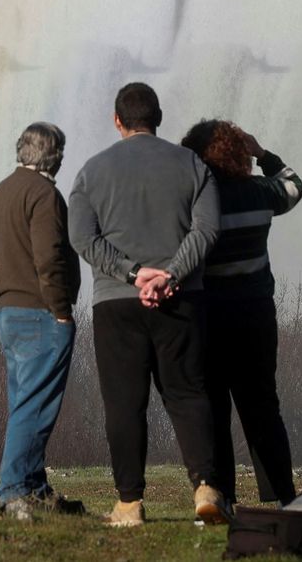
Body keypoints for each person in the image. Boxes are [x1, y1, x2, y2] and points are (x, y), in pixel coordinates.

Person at [68, 82, 228, 527]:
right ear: (158, 118)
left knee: (124, 403)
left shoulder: (91, 172)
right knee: (188, 393)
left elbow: (82, 237)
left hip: (116, 304)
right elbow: (208, 229)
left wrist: (132, 273)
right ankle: (205, 488)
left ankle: (129, 503)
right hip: (183, 300)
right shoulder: (192, 165)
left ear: (117, 120)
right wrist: (171, 274)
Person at [179, 119, 302, 507]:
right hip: (255, 316)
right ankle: (281, 497)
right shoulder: (260, 193)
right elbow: (295, 186)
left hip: (210, 316)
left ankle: (222, 499)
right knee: (263, 408)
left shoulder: (199, 201)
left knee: (214, 409)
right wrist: (263, 153)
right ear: (239, 154)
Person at [0, 121, 84, 516]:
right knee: (35, 405)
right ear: (54, 156)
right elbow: (49, 258)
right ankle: (12, 489)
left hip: (8, 310)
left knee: (23, 400)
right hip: (40, 313)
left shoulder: (1, 191)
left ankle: (34, 484)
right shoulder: (44, 195)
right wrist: (62, 311)